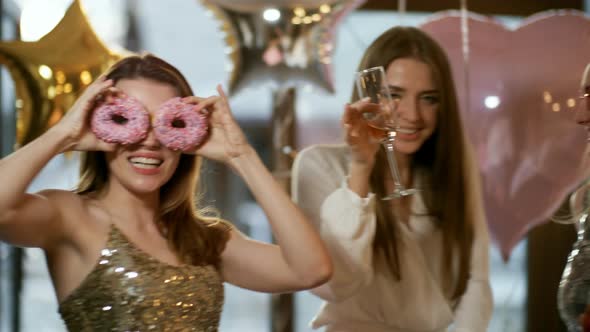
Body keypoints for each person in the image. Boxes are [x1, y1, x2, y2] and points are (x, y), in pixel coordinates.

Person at [0, 53, 332, 330]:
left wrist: (241, 155)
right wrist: (63, 136)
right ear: (99, 123)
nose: (150, 140)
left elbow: (311, 270)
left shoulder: (205, 240)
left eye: (168, 124)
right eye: (131, 120)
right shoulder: (71, 217)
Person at [291, 26, 493, 331]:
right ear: (367, 97)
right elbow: (335, 284)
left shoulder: (452, 169)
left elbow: (477, 280)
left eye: (428, 98)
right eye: (393, 95)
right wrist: (361, 167)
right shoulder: (318, 165)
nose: (412, 114)